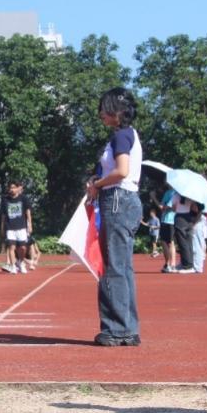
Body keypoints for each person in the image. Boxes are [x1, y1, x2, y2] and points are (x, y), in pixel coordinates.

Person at [86, 87, 143, 347]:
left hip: (118, 199)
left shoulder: (122, 136)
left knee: (113, 267)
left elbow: (121, 171)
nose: (101, 113)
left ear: (117, 111)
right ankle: (127, 328)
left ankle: (117, 329)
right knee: (122, 267)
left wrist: (97, 185)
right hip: (125, 200)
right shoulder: (126, 135)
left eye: (104, 108)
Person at [0, 180, 33, 274]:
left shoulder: (23, 198)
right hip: (10, 227)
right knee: (11, 247)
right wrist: (2, 228)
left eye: (14, 187)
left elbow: (28, 212)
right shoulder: (5, 199)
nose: (12, 189)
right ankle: (13, 266)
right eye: (10, 188)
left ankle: (21, 262)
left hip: (21, 227)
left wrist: (30, 224)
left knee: (22, 248)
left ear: (18, 188)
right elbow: (3, 215)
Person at [151, 187, 177, 273]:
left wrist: (154, 198)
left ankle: (172, 264)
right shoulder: (167, 192)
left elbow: (165, 207)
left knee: (171, 242)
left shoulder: (175, 193)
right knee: (164, 242)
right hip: (164, 220)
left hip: (171, 221)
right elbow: (162, 206)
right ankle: (167, 264)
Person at [171, 192, 197, 273]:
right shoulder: (190, 194)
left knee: (182, 242)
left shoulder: (176, 195)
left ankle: (187, 266)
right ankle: (188, 263)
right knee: (188, 241)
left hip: (180, 217)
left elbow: (173, 208)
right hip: (189, 217)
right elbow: (194, 207)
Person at [192, 209, 207, 273]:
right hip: (199, 228)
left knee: (197, 246)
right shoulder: (203, 217)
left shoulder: (202, 217)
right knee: (197, 246)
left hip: (198, 227)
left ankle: (197, 266)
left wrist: (194, 223)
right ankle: (197, 265)